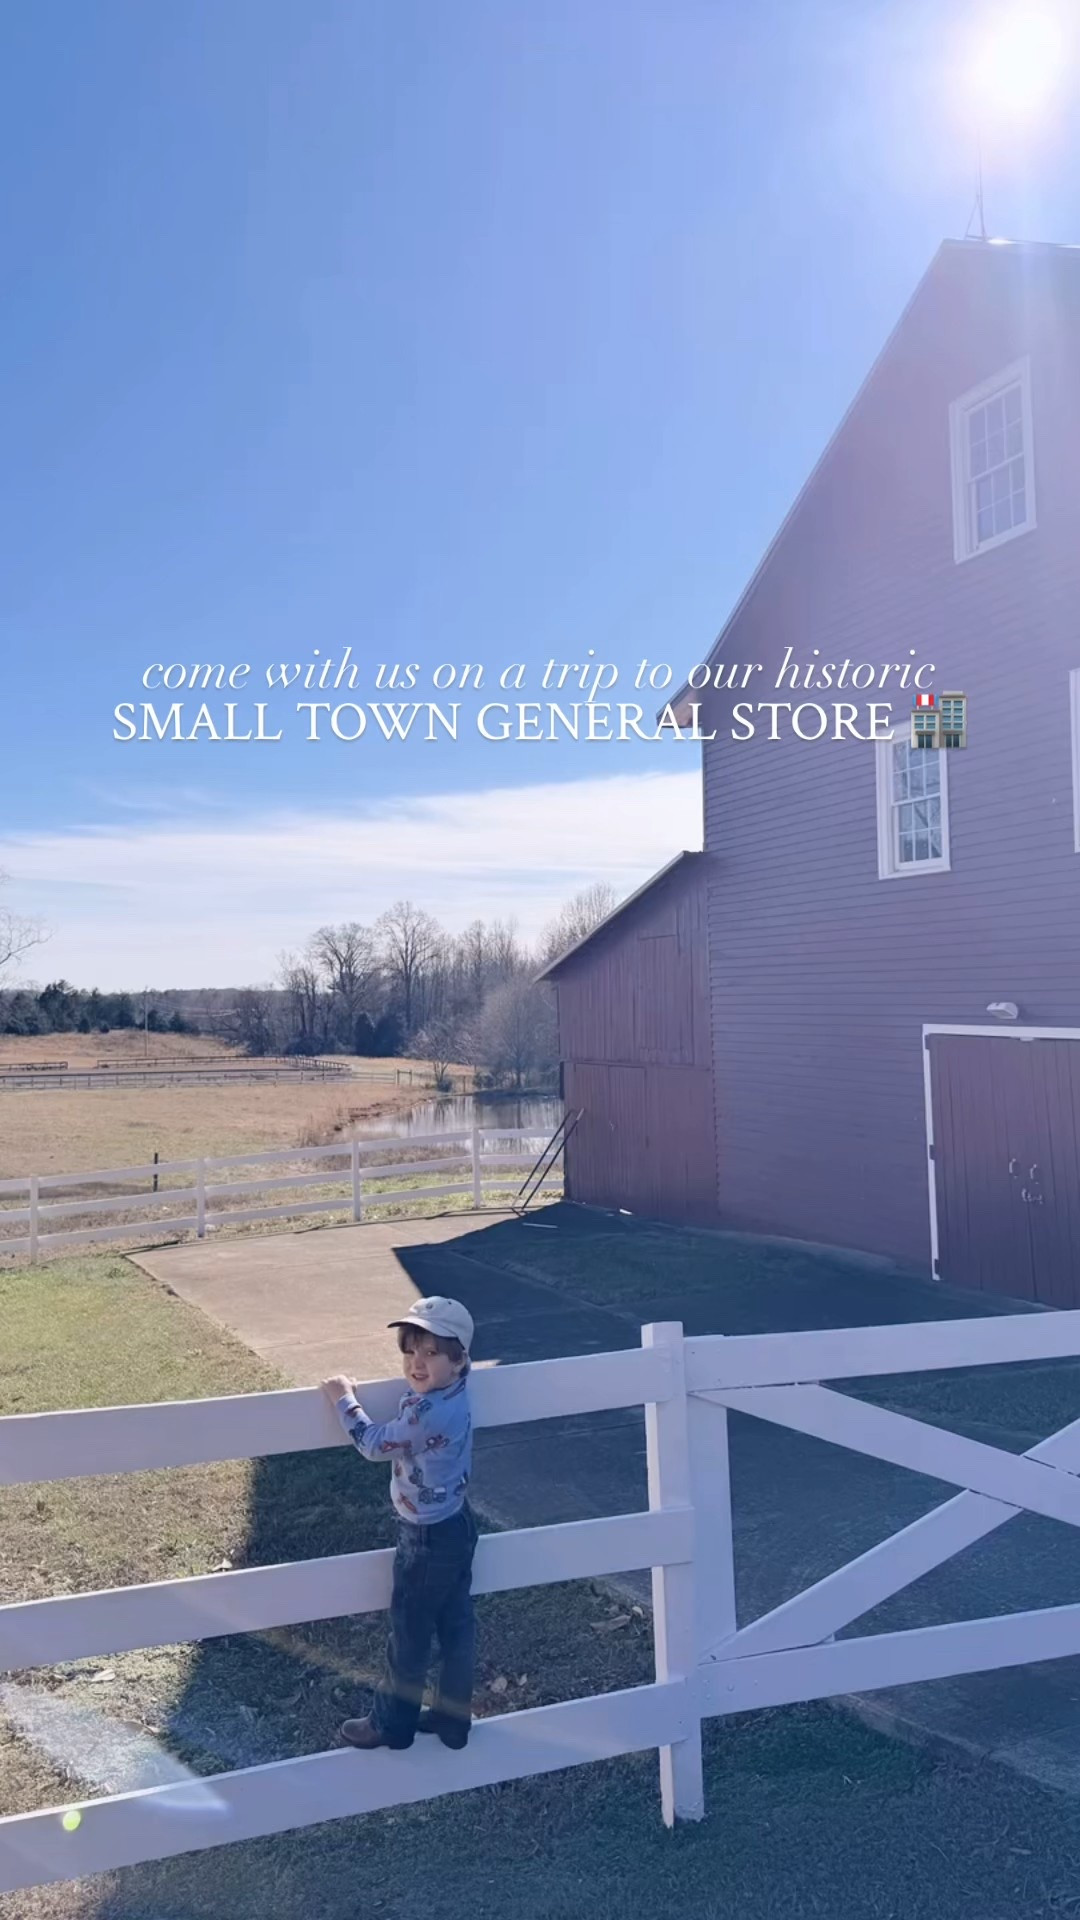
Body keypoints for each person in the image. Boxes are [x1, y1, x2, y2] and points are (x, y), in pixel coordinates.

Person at [322, 1294, 478, 1751]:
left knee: (409, 1633)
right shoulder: (454, 1389)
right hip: (456, 1523)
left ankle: (391, 1724)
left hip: (426, 1537)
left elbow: (373, 1444)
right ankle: (453, 1719)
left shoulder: (430, 1410)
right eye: (410, 1350)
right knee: (456, 1624)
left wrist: (342, 1398)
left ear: (459, 1359)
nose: (417, 1362)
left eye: (431, 1352)